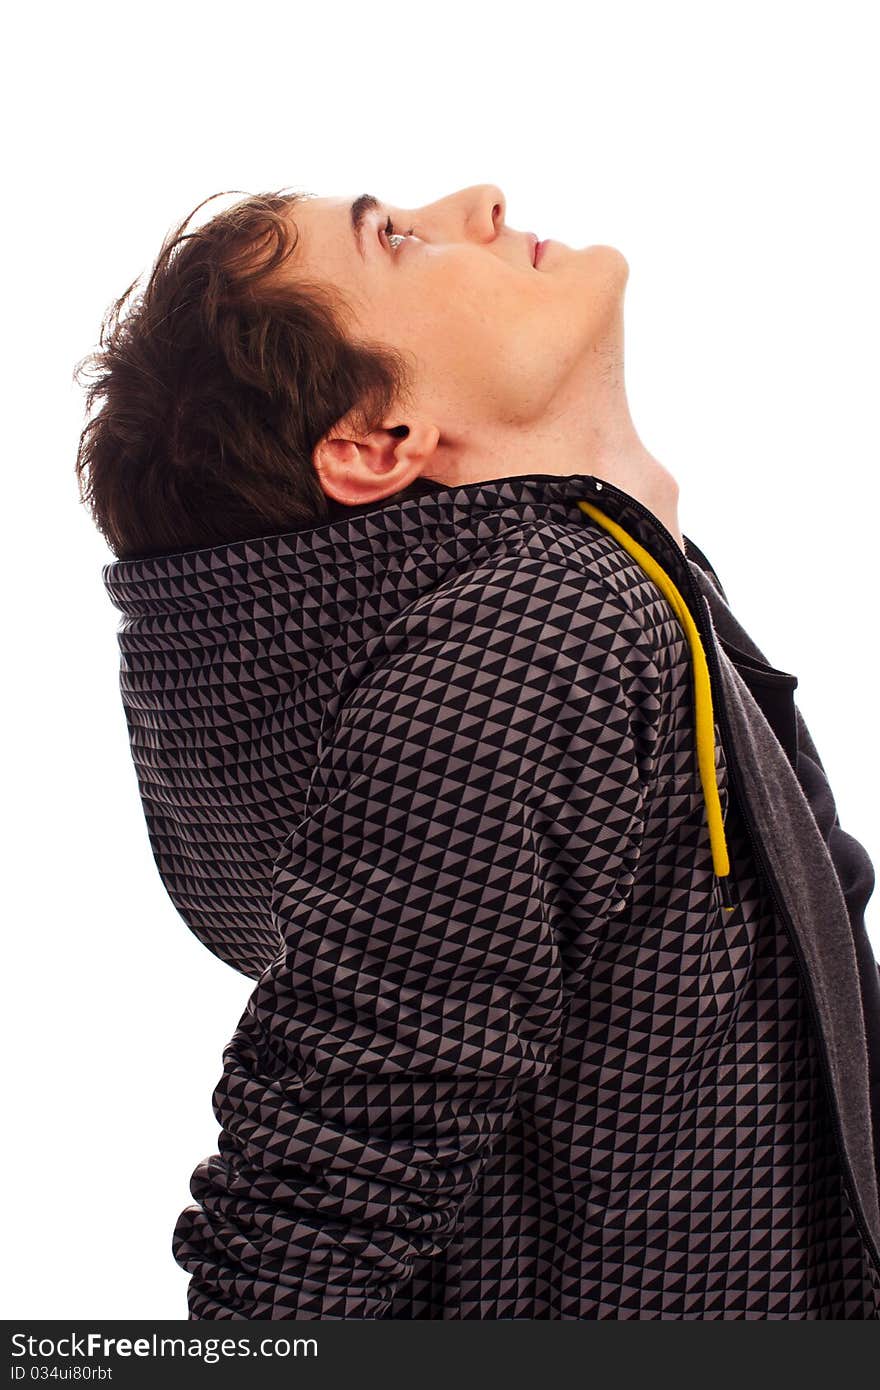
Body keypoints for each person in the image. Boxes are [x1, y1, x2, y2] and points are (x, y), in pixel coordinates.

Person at [77, 184, 880, 1319]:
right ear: (375, 442)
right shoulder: (541, 627)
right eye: (396, 239)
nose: (477, 201)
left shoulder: (588, 595)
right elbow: (322, 1193)